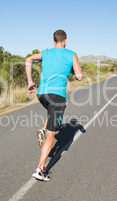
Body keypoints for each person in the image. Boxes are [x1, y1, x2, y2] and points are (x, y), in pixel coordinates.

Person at [25, 30, 83, 181]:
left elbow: (28, 59)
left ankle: (44, 130)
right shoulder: (71, 54)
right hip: (57, 97)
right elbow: (79, 76)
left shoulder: (46, 53)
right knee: (52, 135)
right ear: (65, 41)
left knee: (50, 112)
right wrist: (75, 73)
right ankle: (40, 169)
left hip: (42, 94)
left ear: (53, 41)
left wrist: (30, 81)